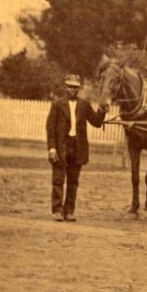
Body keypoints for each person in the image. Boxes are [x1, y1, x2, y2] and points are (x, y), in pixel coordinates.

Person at [45, 74, 106, 221]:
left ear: (79, 89)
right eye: (70, 86)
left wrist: (103, 109)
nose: (73, 90)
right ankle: (57, 211)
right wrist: (52, 148)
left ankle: (69, 211)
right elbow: (50, 129)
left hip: (77, 148)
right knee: (58, 180)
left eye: (76, 87)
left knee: (73, 181)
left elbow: (96, 122)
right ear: (65, 87)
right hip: (61, 147)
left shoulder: (84, 105)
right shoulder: (57, 105)